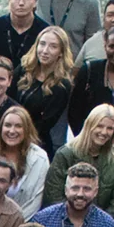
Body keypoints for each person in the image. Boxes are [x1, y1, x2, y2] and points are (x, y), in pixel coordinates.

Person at [44, 104, 114, 216]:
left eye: (110, 128)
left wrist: (102, 222)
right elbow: (53, 195)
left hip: (102, 223)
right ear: (89, 125)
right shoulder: (66, 154)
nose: (104, 132)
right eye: (99, 126)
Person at [0, 105, 50, 218]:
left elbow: (35, 201)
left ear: (27, 129)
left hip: (21, 223)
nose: (12, 131)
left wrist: (12, 224)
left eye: (18, 126)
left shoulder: (40, 158)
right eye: (7, 125)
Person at [13, 26, 73, 154]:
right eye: (42, 44)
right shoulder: (24, 68)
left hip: (35, 143)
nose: (45, 51)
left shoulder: (62, 85)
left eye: (53, 46)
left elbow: (44, 125)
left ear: (61, 52)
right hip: (10, 132)